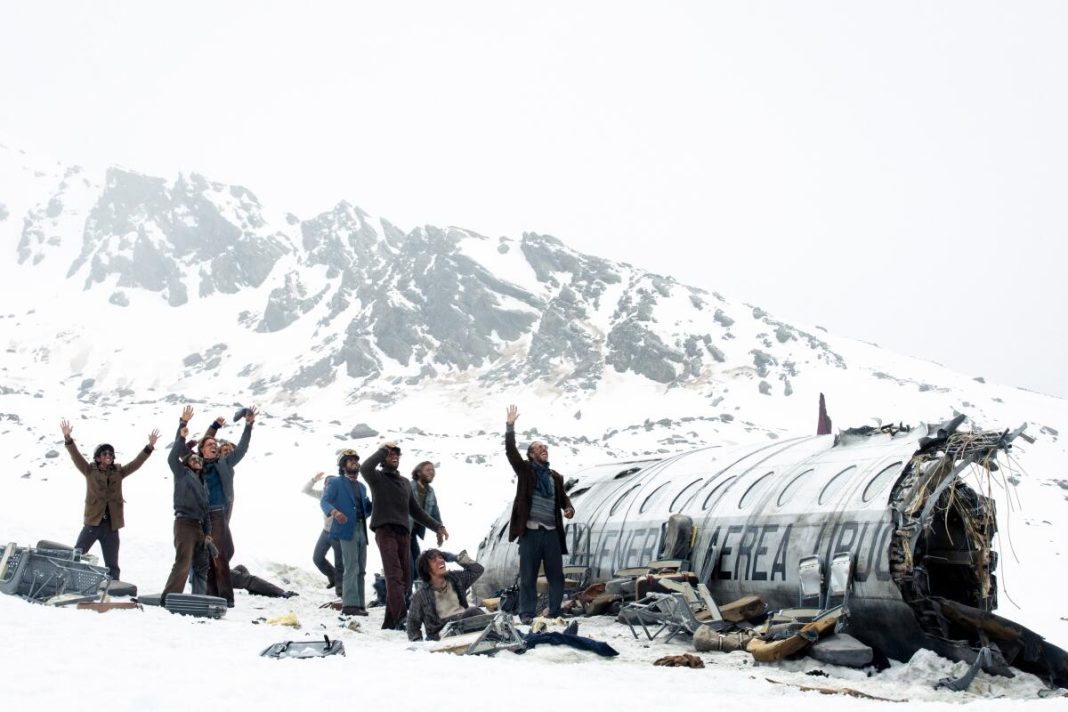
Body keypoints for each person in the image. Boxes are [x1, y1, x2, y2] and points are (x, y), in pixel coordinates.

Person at [360, 441, 448, 630]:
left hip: (403, 533)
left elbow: (416, 511)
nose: (394, 457)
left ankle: (391, 622)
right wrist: (383, 449)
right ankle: (401, 618)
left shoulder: (404, 483)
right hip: (385, 530)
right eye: (390, 454)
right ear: (383, 459)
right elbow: (365, 467)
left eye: (397, 455)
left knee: (406, 580)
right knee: (394, 576)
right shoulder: (377, 477)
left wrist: (437, 526)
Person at [59, 419, 159, 582]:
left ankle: (113, 588)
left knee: (112, 564)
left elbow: (136, 463)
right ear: (98, 458)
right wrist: (68, 438)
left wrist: (149, 447)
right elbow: (75, 456)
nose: (109, 456)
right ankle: (66, 581)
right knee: (77, 554)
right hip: (93, 523)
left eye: (111, 454)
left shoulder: (118, 472)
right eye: (105, 453)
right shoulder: (89, 470)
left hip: (111, 526)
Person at [504, 405, 574, 624]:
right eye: (539, 448)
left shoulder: (555, 477)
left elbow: (562, 498)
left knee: (556, 575)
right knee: (528, 576)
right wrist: (510, 427)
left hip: (551, 532)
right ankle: (526, 613)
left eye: (545, 447)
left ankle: (554, 611)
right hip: (531, 532)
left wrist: (568, 508)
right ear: (531, 454)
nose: (544, 449)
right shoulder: (526, 471)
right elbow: (511, 452)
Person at [161, 407, 214, 603]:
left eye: (198, 458)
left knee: (201, 565)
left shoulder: (203, 484)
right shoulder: (182, 474)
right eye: (193, 458)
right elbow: (172, 456)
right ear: (186, 463)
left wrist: (208, 532)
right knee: (183, 563)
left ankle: (199, 599)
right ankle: (169, 598)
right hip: (184, 523)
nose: (197, 459)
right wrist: (182, 428)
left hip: (199, 526)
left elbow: (206, 511)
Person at [320, 450, 373, 616]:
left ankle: (360, 604)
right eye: (350, 461)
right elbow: (324, 501)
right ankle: (350, 605)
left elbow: (366, 509)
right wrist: (335, 513)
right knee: (351, 566)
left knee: (362, 568)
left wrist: (376, 503)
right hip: (345, 530)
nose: (354, 463)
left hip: (361, 529)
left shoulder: (362, 487)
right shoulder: (336, 483)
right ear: (343, 465)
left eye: (356, 460)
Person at [406, 549, 485, 641]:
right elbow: (412, 623)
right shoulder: (420, 595)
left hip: (464, 623)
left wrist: (457, 558)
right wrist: (418, 643)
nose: (440, 560)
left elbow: (478, 570)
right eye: (434, 560)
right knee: (473, 611)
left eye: (441, 557)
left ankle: (496, 637)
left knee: (478, 614)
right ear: (426, 568)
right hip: (442, 634)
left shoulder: (456, 579)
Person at [302, 471, 344, 595]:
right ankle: (333, 577)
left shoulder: (341, 497)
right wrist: (314, 480)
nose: (327, 486)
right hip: (325, 532)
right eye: (326, 484)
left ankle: (342, 591)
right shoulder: (323, 495)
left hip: (338, 534)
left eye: (330, 484)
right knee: (317, 558)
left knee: (340, 563)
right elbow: (305, 490)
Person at [408, 461, 442, 596]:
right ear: (418, 472)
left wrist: (439, 530)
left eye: (432, 470)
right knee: (409, 564)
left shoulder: (430, 491)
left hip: (414, 533)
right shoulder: (409, 487)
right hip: (403, 530)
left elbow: (435, 512)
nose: (431, 472)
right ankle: (407, 597)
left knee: (417, 564)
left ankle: (418, 595)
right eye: (427, 470)